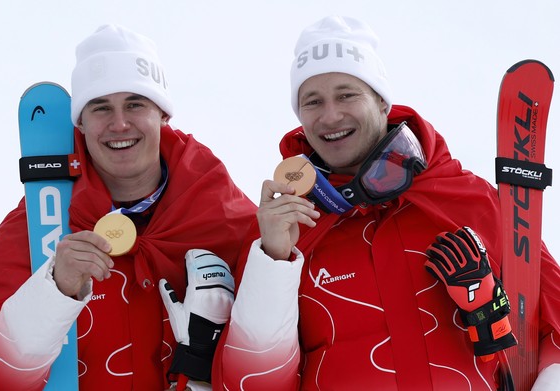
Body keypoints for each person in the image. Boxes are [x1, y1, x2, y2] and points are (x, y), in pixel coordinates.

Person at [214, 16, 560, 390]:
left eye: (347, 94)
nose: (330, 116)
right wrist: (273, 262)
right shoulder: (282, 226)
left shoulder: (469, 200)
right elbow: (249, 382)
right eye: (312, 101)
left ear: (381, 101)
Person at [0, 24, 256, 390]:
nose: (119, 123)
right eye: (100, 108)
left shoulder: (225, 216)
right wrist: (55, 290)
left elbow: (278, 355)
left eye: (135, 104)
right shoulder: (33, 224)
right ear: (81, 124)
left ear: (163, 114)